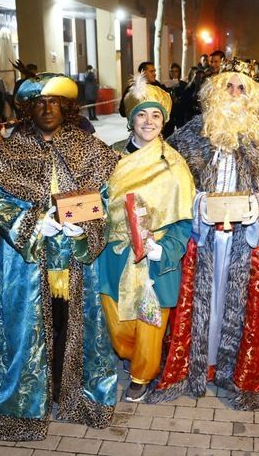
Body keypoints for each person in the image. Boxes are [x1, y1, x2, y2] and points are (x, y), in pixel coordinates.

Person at [0, 74, 118, 440]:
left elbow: (105, 199)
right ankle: (29, 399)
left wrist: (86, 228)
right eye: (39, 102)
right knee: (28, 328)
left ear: (66, 107)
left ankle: (75, 393)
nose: (47, 109)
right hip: (28, 262)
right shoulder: (7, 152)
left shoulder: (91, 149)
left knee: (71, 323)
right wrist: (31, 223)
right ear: (28, 108)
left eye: (54, 102)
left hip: (75, 261)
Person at [149, 59, 259, 410]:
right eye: (227, 86)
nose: (234, 93)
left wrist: (255, 207)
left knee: (238, 305)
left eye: (241, 88)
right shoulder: (188, 136)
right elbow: (172, 188)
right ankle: (198, 365)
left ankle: (236, 370)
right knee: (203, 303)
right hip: (202, 240)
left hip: (245, 242)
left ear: (253, 95)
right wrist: (199, 205)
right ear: (215, 92)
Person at [96, 74, 194, 402]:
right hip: (115, 252)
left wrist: (162, 250)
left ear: (164, 121)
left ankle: (143, 373)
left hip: (154, 258)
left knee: (150, 320)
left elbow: (182, 221)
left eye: (155, 115)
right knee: (118, 321)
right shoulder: (110, 157)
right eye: (141, 114)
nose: (148, 122)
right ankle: (130, 353)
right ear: (130, 120)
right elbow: (96, 202)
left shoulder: (175, 165)